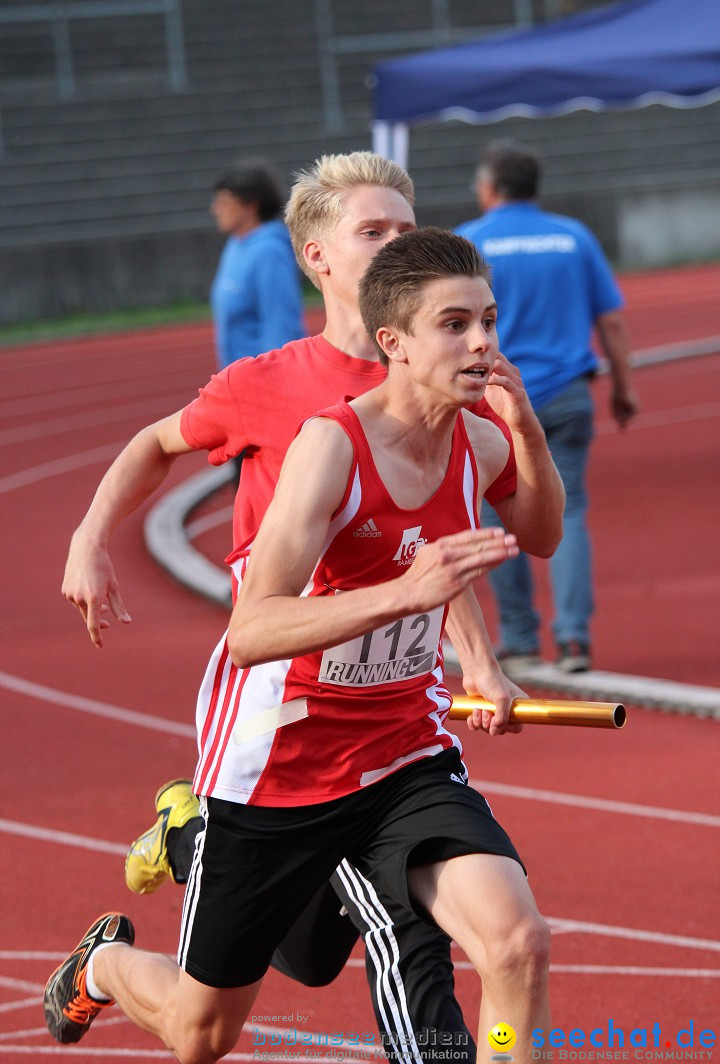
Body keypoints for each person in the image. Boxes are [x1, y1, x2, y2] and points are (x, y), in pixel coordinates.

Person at [55, 152, 564, 1060]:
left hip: (399, 738)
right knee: (203, 1034)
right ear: (317, 256)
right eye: (374, 232)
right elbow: (162, 454)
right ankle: (123, 943)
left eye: (407, 230)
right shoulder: (280, 396)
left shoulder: (462, 406)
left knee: (510, 941)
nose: (396, 245)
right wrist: (89, 536)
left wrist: (477, 658)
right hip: (279, 732)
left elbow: (438, 544)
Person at [456, 140, 639, 674]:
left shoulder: (469, 242)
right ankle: (575, 639)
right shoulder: (573, 236)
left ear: (490, 188)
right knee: (571, 509)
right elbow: (612, 321)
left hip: (496, 397)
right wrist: (624, 386)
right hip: (567, 394)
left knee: (496, 515)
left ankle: (518, 637)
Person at [210, 157, 306, 368]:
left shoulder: (270, 252)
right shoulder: (236, 243)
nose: (215, 209)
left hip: (262, 380)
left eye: (224, 202)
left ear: (251, 206)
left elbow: (281, 327)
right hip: (237, 379)